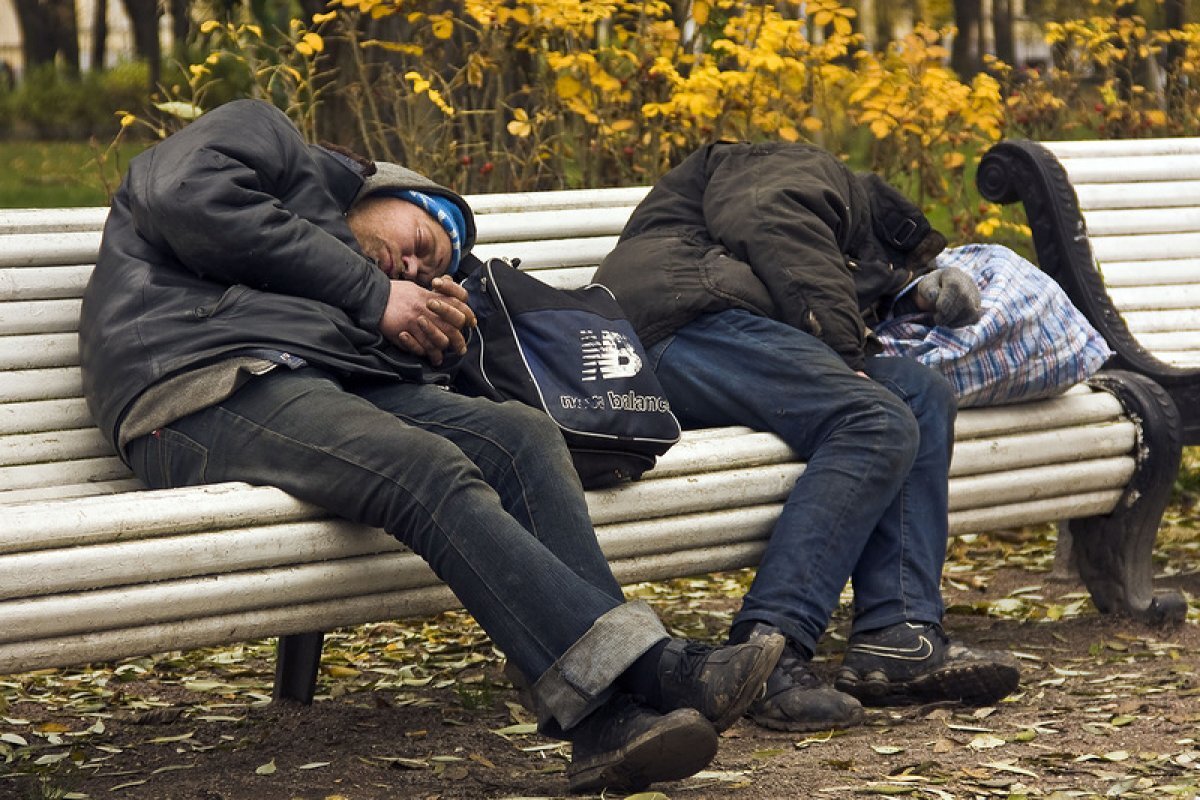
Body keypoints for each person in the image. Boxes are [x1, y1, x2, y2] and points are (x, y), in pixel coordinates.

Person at [78, 100, 784, 794]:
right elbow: (182, 194)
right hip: (195, 387)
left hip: (313, 389)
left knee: (519, 437)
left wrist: (436, 334)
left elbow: (374, 363)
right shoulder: (266, 136)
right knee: (425, 464)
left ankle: (607, 724)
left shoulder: (352, 295)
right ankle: (652, 668)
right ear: (384, 186)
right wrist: (374, 292)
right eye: (421, 235)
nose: (414, 264)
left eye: (427, 267)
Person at [594, 140, 1021, 734]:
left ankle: (898, 634)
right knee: (875, 419)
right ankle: (769, 650)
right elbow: (772, 218)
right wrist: (845, 351)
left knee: (921, 395)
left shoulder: (834, 237)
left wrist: (863, 335)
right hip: (675, 319)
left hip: (725, 326)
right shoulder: (811, 170)